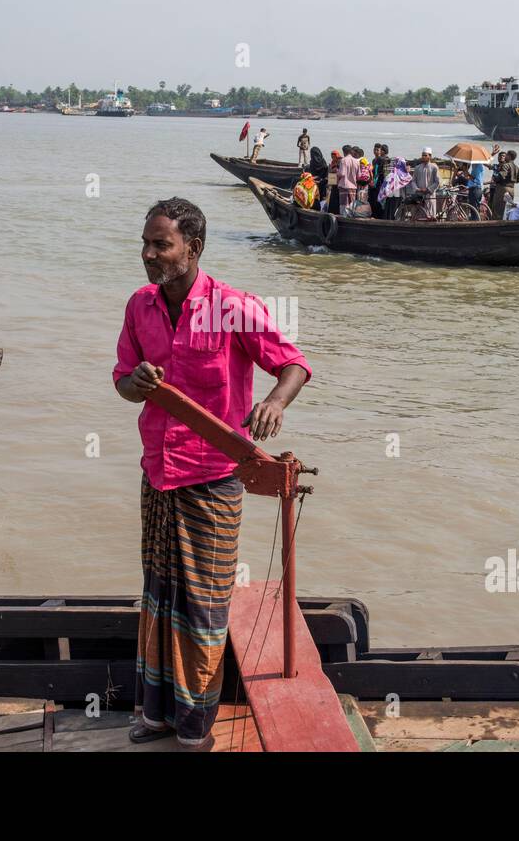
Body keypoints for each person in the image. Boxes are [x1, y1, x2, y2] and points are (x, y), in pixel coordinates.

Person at [112, 197, 311, 749]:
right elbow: (123, 381)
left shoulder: (234, 307)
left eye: (161, 245)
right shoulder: (139, 306)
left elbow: (294, 363)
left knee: (202, 602)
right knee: (159, 595)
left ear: (192, 248)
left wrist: (275, 402)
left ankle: (195, 727)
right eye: (147, 244)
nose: (149, 254)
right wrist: (138, 382)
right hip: (158, 471)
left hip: (214, 475)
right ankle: (154, 714)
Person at [489, 148, 519, 218]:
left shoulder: (506, 165)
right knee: (508, 209)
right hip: (512, 189)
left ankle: (496, 224)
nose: (505, 157)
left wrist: (495, 178)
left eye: (506, 155)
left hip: (502, 189)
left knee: (498, 208)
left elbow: (501, 176)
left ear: (509, 156)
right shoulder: (516, 167)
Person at [410, 147, 441, 219]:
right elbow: (413, 181)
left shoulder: (434, 167)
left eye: (425, 155)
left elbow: (437, 182)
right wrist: (417, 189)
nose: (423, 157)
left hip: (429, 196)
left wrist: (428, 189)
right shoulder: (417, 168)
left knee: (430, 216)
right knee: (418, 216)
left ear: (430, 156)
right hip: (419, 195)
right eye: (422, 155)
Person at [379, 156, 413, 220]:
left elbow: (385, 187)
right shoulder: (403, 175)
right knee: (397, 213)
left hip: (391, 198)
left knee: (390, 213)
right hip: (398, 198)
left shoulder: (391, 174)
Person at [336, 143, 359, 216]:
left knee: (344, 205)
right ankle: (351, 218)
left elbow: (341, 173)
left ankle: (344, 218)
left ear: (344, 152)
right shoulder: (357, 161)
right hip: (353, 186)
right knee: (352, 204)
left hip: (344, 186)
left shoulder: (343, 160)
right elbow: (359, 175)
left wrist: (337, 173)